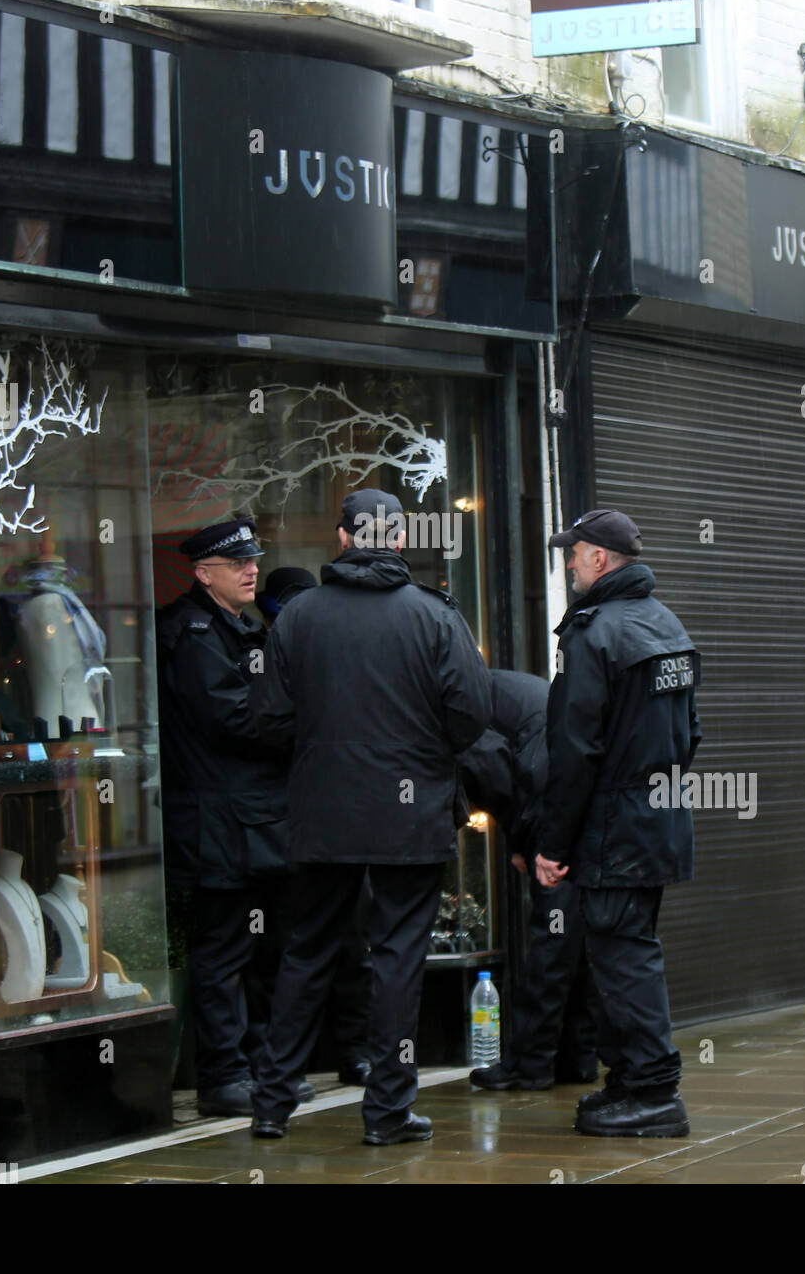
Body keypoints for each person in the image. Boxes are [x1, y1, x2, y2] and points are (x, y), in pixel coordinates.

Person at [248, 488, 492, 1144]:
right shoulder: (435, 617)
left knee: (307, 952)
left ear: (345, 538)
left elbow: (268, 719)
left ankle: (272, 1102)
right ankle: (386, 1112)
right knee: (397, 959)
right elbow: (472, 712)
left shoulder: (298, 618)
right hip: (409, 820)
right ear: (399, 540)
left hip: (324, 813)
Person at [535, 509, 701, 1138]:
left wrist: (552, 844)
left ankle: (655, 1093)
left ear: (599, 559)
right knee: (625, 950)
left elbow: (574, 750)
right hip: (658, 815)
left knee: (622, 958)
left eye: (573, 553)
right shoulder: (666, 623)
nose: (570, 563)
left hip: (614, 823)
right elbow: (691, 734)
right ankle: (630, 1083)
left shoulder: (594, 633)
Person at [156, 517, 309, 1118]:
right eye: (237, 563)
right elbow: (235, 719)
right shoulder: (191, 631)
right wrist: (305, 723)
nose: (252, 570)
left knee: (264, 946)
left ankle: (263, 1066)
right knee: (223, 952)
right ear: (203, 573)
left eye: (254, 560)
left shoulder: (240, 627)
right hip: (219, 823)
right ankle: (223, 1075)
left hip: (257, 820)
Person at [257, 564, 375, 1090]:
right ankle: (295, 1066)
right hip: (295, 817)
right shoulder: (273, 643)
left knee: (338, 946)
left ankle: (331, 1057)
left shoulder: (318, 643)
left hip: (321, 815)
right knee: (297, 947)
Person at [459, 670, 599, 1091]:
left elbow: (501, 777)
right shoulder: (485, 689)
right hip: (569, 803)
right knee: (573, 937)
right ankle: (577, 1058)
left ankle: (530, 1063)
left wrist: (531, 844)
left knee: (552, 941)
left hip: (551, 809)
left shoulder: (457, 705)